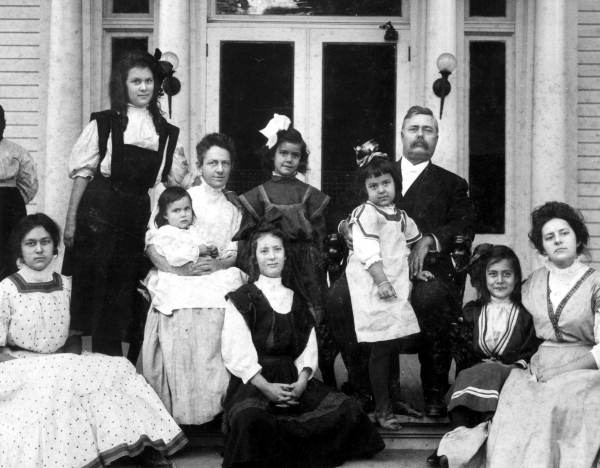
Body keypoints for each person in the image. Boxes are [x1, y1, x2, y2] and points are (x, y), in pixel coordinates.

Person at [0, 214, 187, 468]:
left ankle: (132, 448)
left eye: (45, 242)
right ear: (19, 248)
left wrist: (70, 363)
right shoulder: (6, 289)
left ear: (55, 246)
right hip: (16, 365)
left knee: (118, 368)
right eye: (30, 243)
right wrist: (46, 367)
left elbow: (73, 338)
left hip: (62, 361)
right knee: (61, 379)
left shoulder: (65, 285)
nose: (39, 249)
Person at [337, 106, 475, 417]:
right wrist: (344, 226)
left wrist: (430, 239)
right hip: (373, 271)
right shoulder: (379, 172)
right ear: (401, 135)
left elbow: (464, 223)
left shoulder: (452, 183)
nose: (420, 135)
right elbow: (343, 210)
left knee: (432, 296)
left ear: (437, 138)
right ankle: (363, 389)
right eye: (414, 129)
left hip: (419, 270)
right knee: (339, 297)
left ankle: (434, 390)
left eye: (428, 130)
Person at [220, 227, 384, 467]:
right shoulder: (243, 298)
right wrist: (266, 388)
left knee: (348, 410)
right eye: (264, 251)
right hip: (255, 381)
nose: (272, 256)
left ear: (286, 255)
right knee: (251, 419)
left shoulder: (296, 299)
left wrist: (301, 383)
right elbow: (236, 351)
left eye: (277, 249)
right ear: (254, 257)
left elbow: (308, 349)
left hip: (293, 378)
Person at [64, 49, 190, 357]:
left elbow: (178, 182)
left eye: (148, 81)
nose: (143, 87)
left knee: (124, 291)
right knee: (93, 289)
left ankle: (117, 367)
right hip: (98, 213)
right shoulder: (105, 124)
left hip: (135, 215)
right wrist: (71, 221)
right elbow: (82, 175)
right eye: (136, 81)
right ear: (124, 85)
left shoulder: (166, 132)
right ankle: (84, 364)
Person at [485, 202, 600, 467]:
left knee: (557, 403)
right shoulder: (534, 281)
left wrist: (561, 372)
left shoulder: (595, 283)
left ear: (578, 238)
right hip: (537, 368)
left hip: (585, 369)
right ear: (542, 247)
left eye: (564, 233)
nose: (557, 240)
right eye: (549, 237)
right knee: (517, 405)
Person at [143, 133, 244, 425]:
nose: (219, 170)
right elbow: (153, 243)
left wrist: (214, 265)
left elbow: (233, 252)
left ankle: (215, 407)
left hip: (214, 272)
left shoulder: (234, 207)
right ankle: (181, 407)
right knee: (179, 314)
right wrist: (181, 271)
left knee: (219, 313)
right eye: (212, 163)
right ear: (199, 166)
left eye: (225, 163)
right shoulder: (183, 199)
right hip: (178, 273)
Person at [235, 114, 337, 386]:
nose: (289, 159)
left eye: (295, 155)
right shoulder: (259, 193)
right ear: (272, 154)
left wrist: (318, 264)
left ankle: (312, 376)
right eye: (283, 153)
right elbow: (247, 239)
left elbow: (319, 236)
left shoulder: (308, 194)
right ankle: (268, 375)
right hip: (270, 266)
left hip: (304, 267)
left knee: (307, 317)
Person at [430, 244, 539, 467]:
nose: (499, 280)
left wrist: (508, 365)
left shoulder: (526, 314)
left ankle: (456, 453)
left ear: (517, 278)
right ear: (484, 277)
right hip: (476, 373)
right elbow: (462, 347)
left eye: (507, 274)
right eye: (493, 274)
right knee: (465, 399)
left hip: (510, 375)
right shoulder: (472, 311)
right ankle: (455, 448)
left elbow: (529, 349)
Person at [346, 140, 428, 429]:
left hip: (394, 281)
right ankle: (382, 409)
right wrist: (381, 281)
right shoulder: (366, 214)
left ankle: (392, 399)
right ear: (365, 190)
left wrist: (416, 272)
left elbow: (412, 246)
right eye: (373, 186)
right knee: (381, 345)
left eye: (385, 183)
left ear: (396, 183)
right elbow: (367, 252)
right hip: (372, 281)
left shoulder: (402, 217)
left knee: (392, 340)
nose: (381, 190)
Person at [0, 104, 38, 280]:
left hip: (9, 207)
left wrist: (13, 201)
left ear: (4, 124)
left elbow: (29, 183)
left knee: (10, 255)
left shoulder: (17, 151)